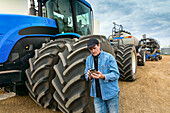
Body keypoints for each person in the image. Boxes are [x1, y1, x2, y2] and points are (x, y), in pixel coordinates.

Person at [84, 38, 120, 113]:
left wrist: (103, 76)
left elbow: (116, 74)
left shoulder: (109, 57)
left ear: (99, 45)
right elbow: (86, 75)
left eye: (94, 48)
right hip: (97, 95)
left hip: (111, 94)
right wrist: (89, 76)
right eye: (91, 49)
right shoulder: (88, 59)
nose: (93, 51)